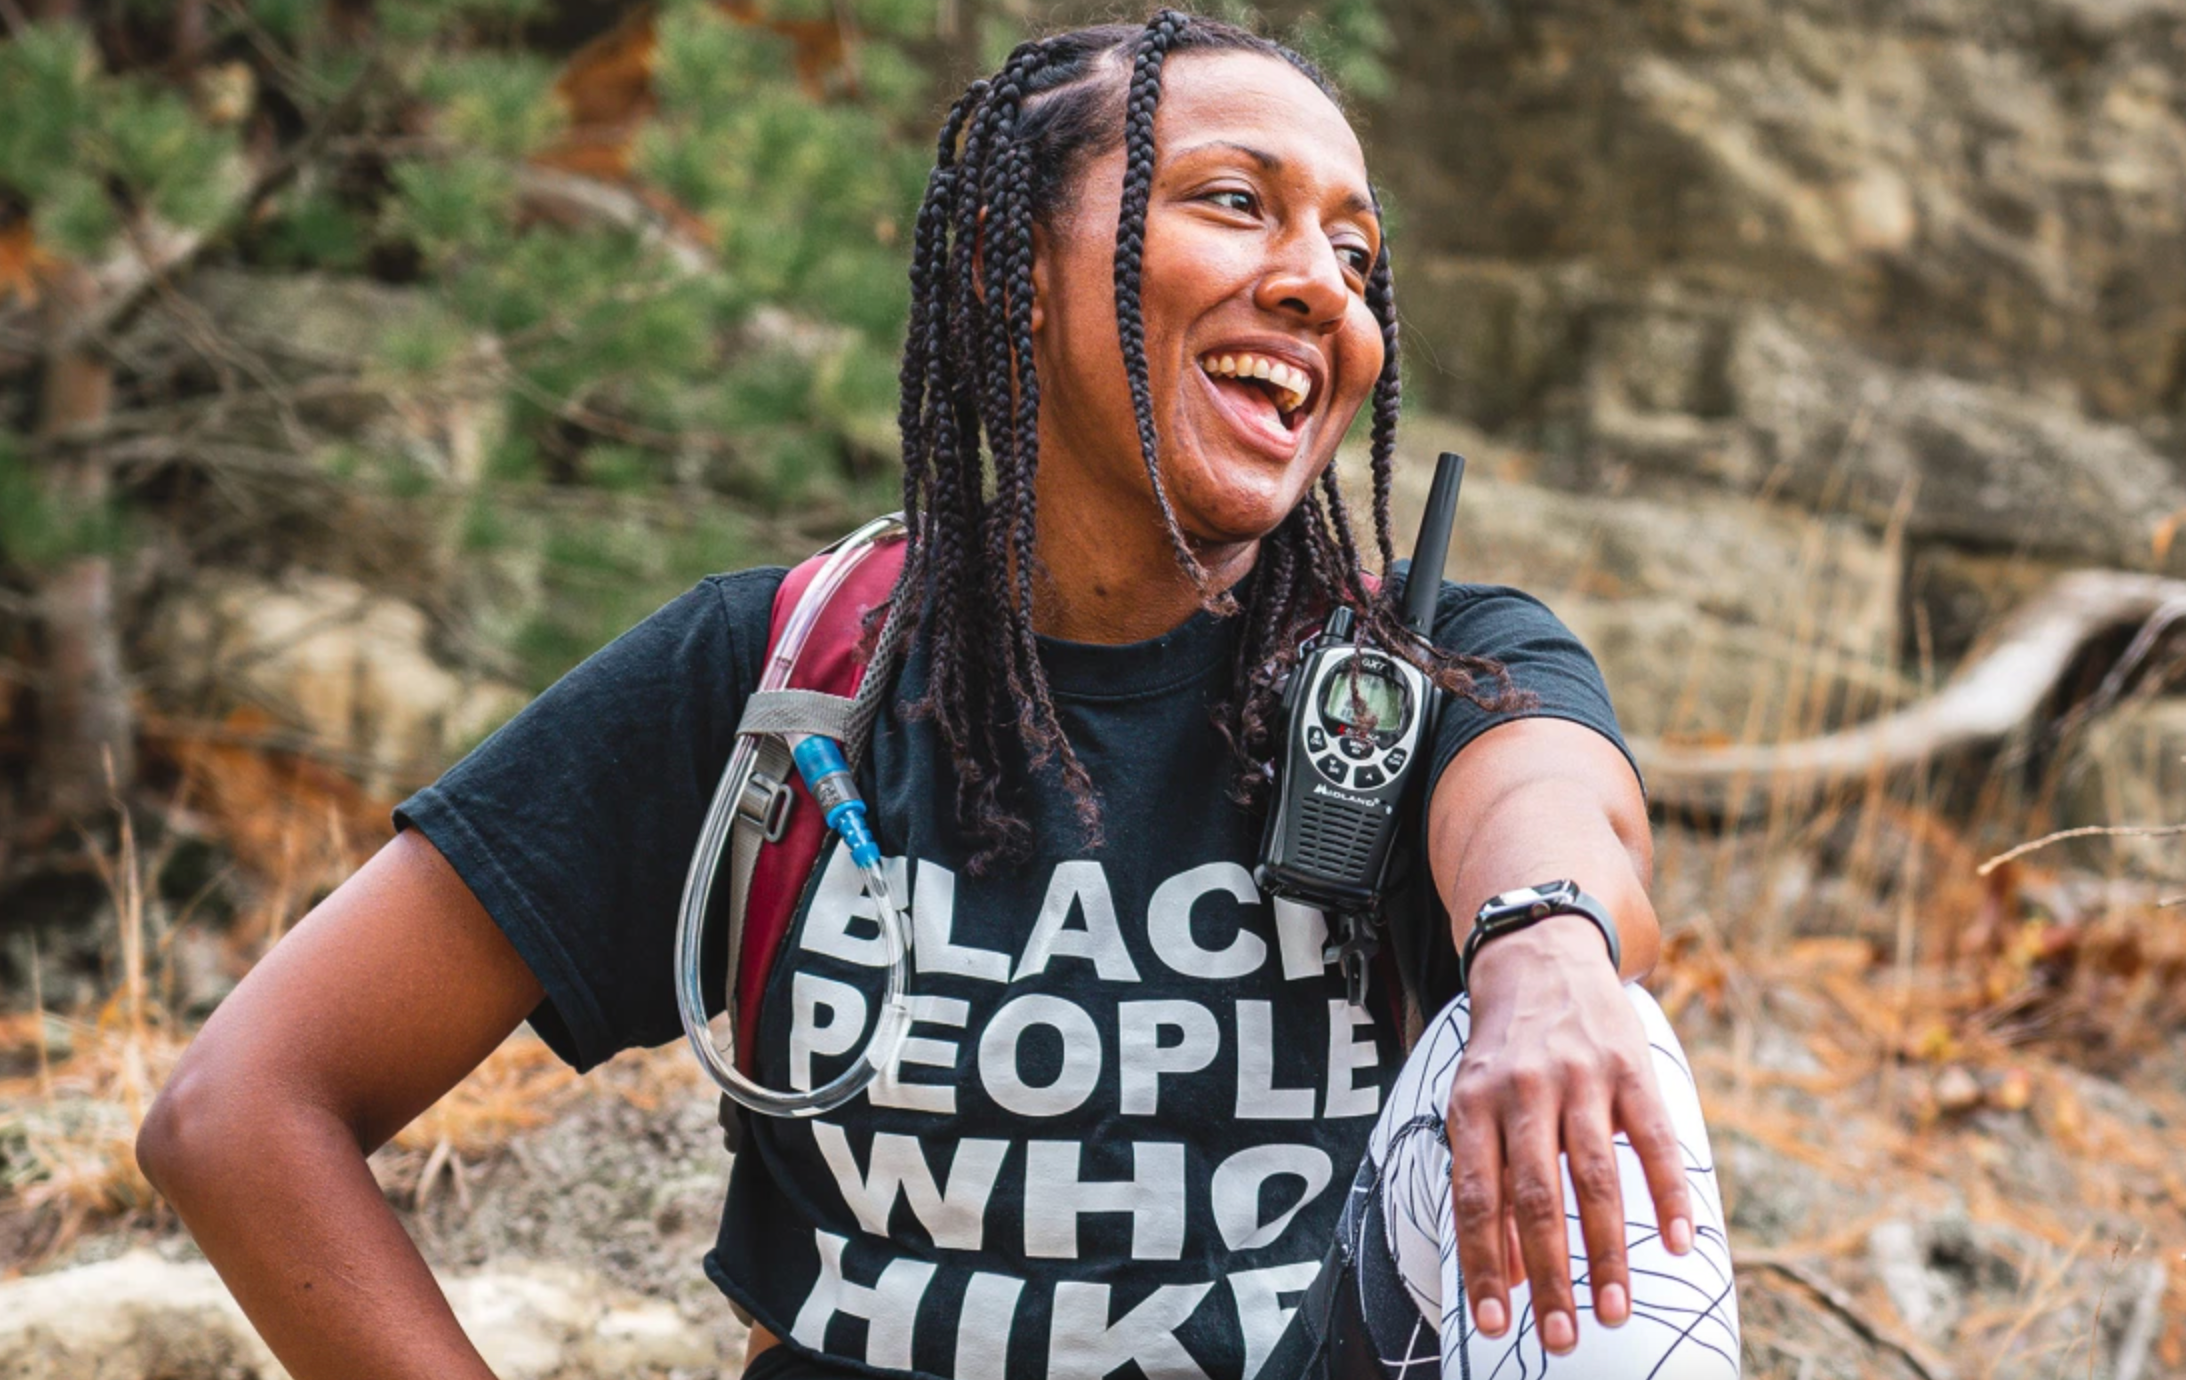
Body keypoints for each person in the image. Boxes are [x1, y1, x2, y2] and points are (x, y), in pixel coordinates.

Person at [136, 12, 1740, 1379]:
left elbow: (1546, 795)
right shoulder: (777, 672)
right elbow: (245, 1110)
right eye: (1236, 202)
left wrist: (1543, 953)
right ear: (1007, 266)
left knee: (1623, 1068)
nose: (1322, 283)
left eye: (1355, 250)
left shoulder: (1425, 662)